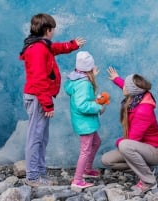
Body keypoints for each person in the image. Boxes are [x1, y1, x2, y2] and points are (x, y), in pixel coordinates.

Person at [19, 13, 86, 187]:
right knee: (36, 137)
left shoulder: (39, 45)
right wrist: (47, 104)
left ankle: (39, 173)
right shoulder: (38, 49)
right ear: (48, 30)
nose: (54, 32)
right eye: (53, 29)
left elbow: (55, 48)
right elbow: (39, 79)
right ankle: (33, 176)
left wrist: (72, 45)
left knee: (41, 136)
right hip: (38, 98)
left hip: (38, 97)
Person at [101, 67, 158, 194]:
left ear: (131, 91)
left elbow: (132, 140)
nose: (123, 86)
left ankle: (149, 181)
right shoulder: (137, 97)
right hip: (140, 148)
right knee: (106, 160)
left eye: (125, 85)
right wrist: (116, 79)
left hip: (155, 150)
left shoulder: (143, 110)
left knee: (124, 145)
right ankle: (146, 170)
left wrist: (118, 142)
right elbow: (130, 88)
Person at [64, 51, 105, 192]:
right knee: (85, 150)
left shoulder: (77, 79)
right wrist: (98, 107)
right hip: (85, 122)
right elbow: (82, 105)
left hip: (86, 122)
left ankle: (87, 169)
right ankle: (78, 179)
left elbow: (83, 97)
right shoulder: (84, 84)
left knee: (96, 142)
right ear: (88, 69)